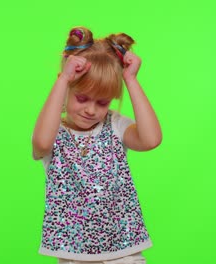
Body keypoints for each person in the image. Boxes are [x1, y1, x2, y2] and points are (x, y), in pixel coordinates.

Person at [32, 26, 162, 264]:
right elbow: (40, 142)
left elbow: (151, 139)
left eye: (102, 102)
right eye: (82, 98)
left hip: (124, 252)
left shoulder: (115, 125)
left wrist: (130, 80)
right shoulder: (52, 132)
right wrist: (64, 79)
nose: (91, 110)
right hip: (73, 253)